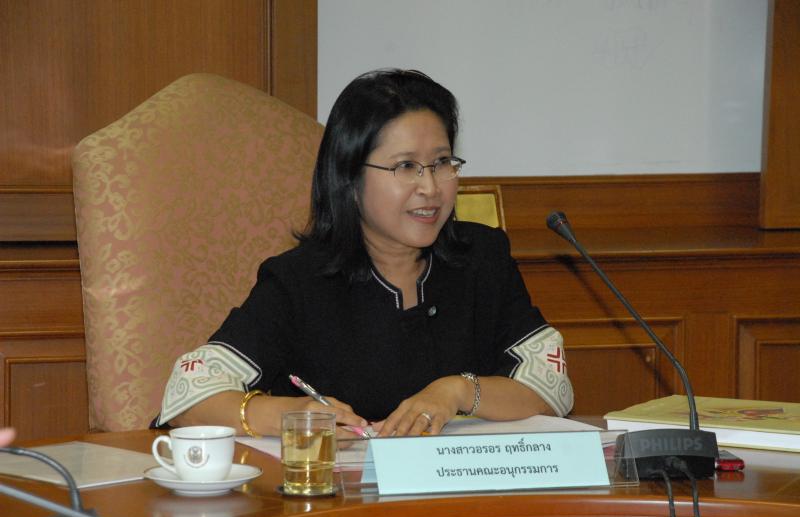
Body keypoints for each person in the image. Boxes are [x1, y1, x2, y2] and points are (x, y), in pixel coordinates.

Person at [155, 69, 573, 438]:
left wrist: (457, 391)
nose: (430, 187)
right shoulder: (300, 281)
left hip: (463, 492)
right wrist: (292, 415)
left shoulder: (482, 257)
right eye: (406, 166)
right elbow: (188, 396)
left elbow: (549, 385)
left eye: (442, 162)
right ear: (350, 179)